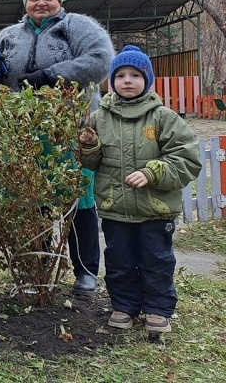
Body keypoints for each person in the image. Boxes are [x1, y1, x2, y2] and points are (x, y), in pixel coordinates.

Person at [0, 0, 115, 298]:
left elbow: (100, 60)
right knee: (32, 200)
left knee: (78, 198)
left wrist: (51, 75)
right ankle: (36, 269)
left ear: (60, 0)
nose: (41, 3)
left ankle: (85, 273)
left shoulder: (77, 27)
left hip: (70, 130)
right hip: (23, 134)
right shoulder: (9, 36)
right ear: (25, 2)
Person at [79, 46, 201, 334]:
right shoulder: (99, 118)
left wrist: (152, 172)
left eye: (135, 74)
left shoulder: (163, 117)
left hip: (154, 210)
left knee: (156, 260)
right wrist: (88, 146)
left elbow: (186, 159)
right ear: (111, 81)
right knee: (119, 260)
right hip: (116, 209)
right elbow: (91, 163)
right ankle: (124, 307)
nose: (127, 80)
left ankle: (158, 310)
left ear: (147, 79)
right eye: (120, 75)